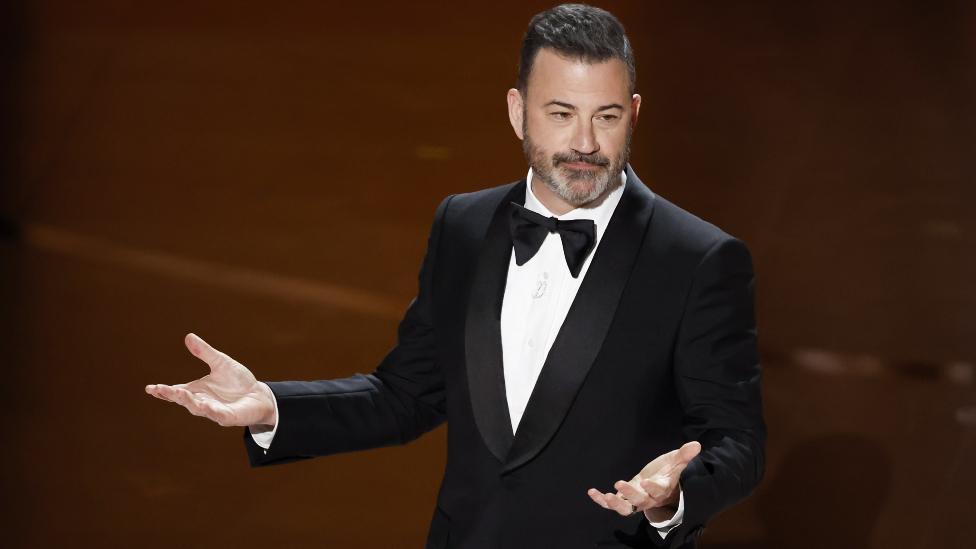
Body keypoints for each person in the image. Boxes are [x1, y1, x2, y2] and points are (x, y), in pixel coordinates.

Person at [145, 4, 765, 548]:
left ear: (633, 113)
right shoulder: (463, 225)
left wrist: (672, 494)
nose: (585, 143)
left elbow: (737, 441)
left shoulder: (698, 258)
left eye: (605, 117)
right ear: (518, 112)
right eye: (560, 113)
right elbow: (407, 394)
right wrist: (272, 407)